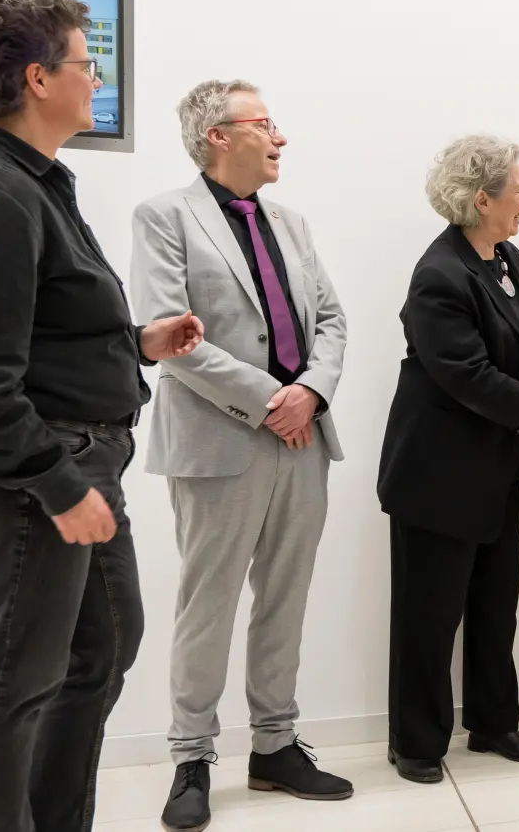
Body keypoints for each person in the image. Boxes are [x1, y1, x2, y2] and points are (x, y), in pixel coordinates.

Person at [0, 0, 203, 832]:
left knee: (102, 646)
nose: (95, 74)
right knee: (11, 685)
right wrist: (57, 482)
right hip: (35, 476)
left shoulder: (30, 183)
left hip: (75, 464)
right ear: (39, 78)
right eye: (84, 61)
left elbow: (35, 334)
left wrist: (136, 344)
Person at [129, 80, 352, 828]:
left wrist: (310, 396)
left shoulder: (292, 222)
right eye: (265, 124)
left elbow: (331, 319)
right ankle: (191, 757)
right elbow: (172, 336)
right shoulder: (164, 216)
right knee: (208, 605)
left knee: (284, 599)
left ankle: (276, 747)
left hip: (304, 437)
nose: (280, 136)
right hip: (223, 441)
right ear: (219, 136)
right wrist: (270, 401)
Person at [377, 134, 519, 783]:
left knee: (494, 605)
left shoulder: (504, 256)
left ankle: (493, 724)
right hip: (438, 478)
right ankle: (416, 746)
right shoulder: (439, 276)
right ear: (483, 199)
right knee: (428, 619)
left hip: (495, 471)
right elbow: (470, 375)